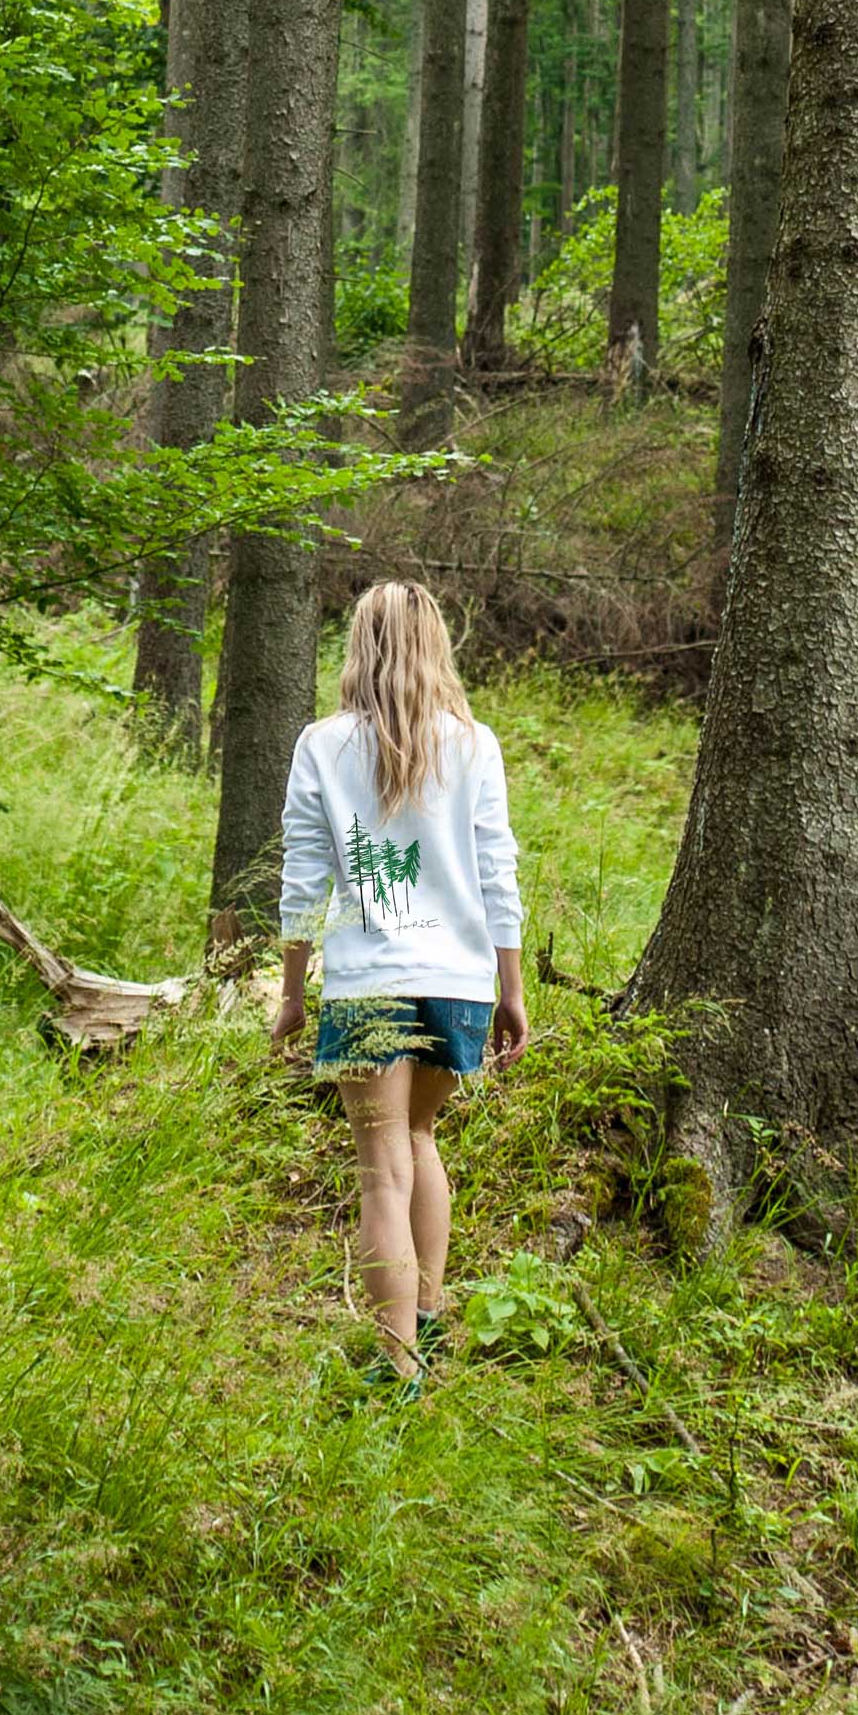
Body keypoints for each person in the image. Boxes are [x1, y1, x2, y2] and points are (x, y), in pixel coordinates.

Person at [270, 581, 527, 1396]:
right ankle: (431, 1316)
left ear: (361, 645)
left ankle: (397, 1365)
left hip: (370, 984)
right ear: (435, 645)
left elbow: (303, 881)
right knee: (419, 1140)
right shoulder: (473, 743)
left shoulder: (323, 744)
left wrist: (292, 990)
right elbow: (497, 873)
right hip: (459, 983)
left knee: (382, 1169)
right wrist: (511, 985)